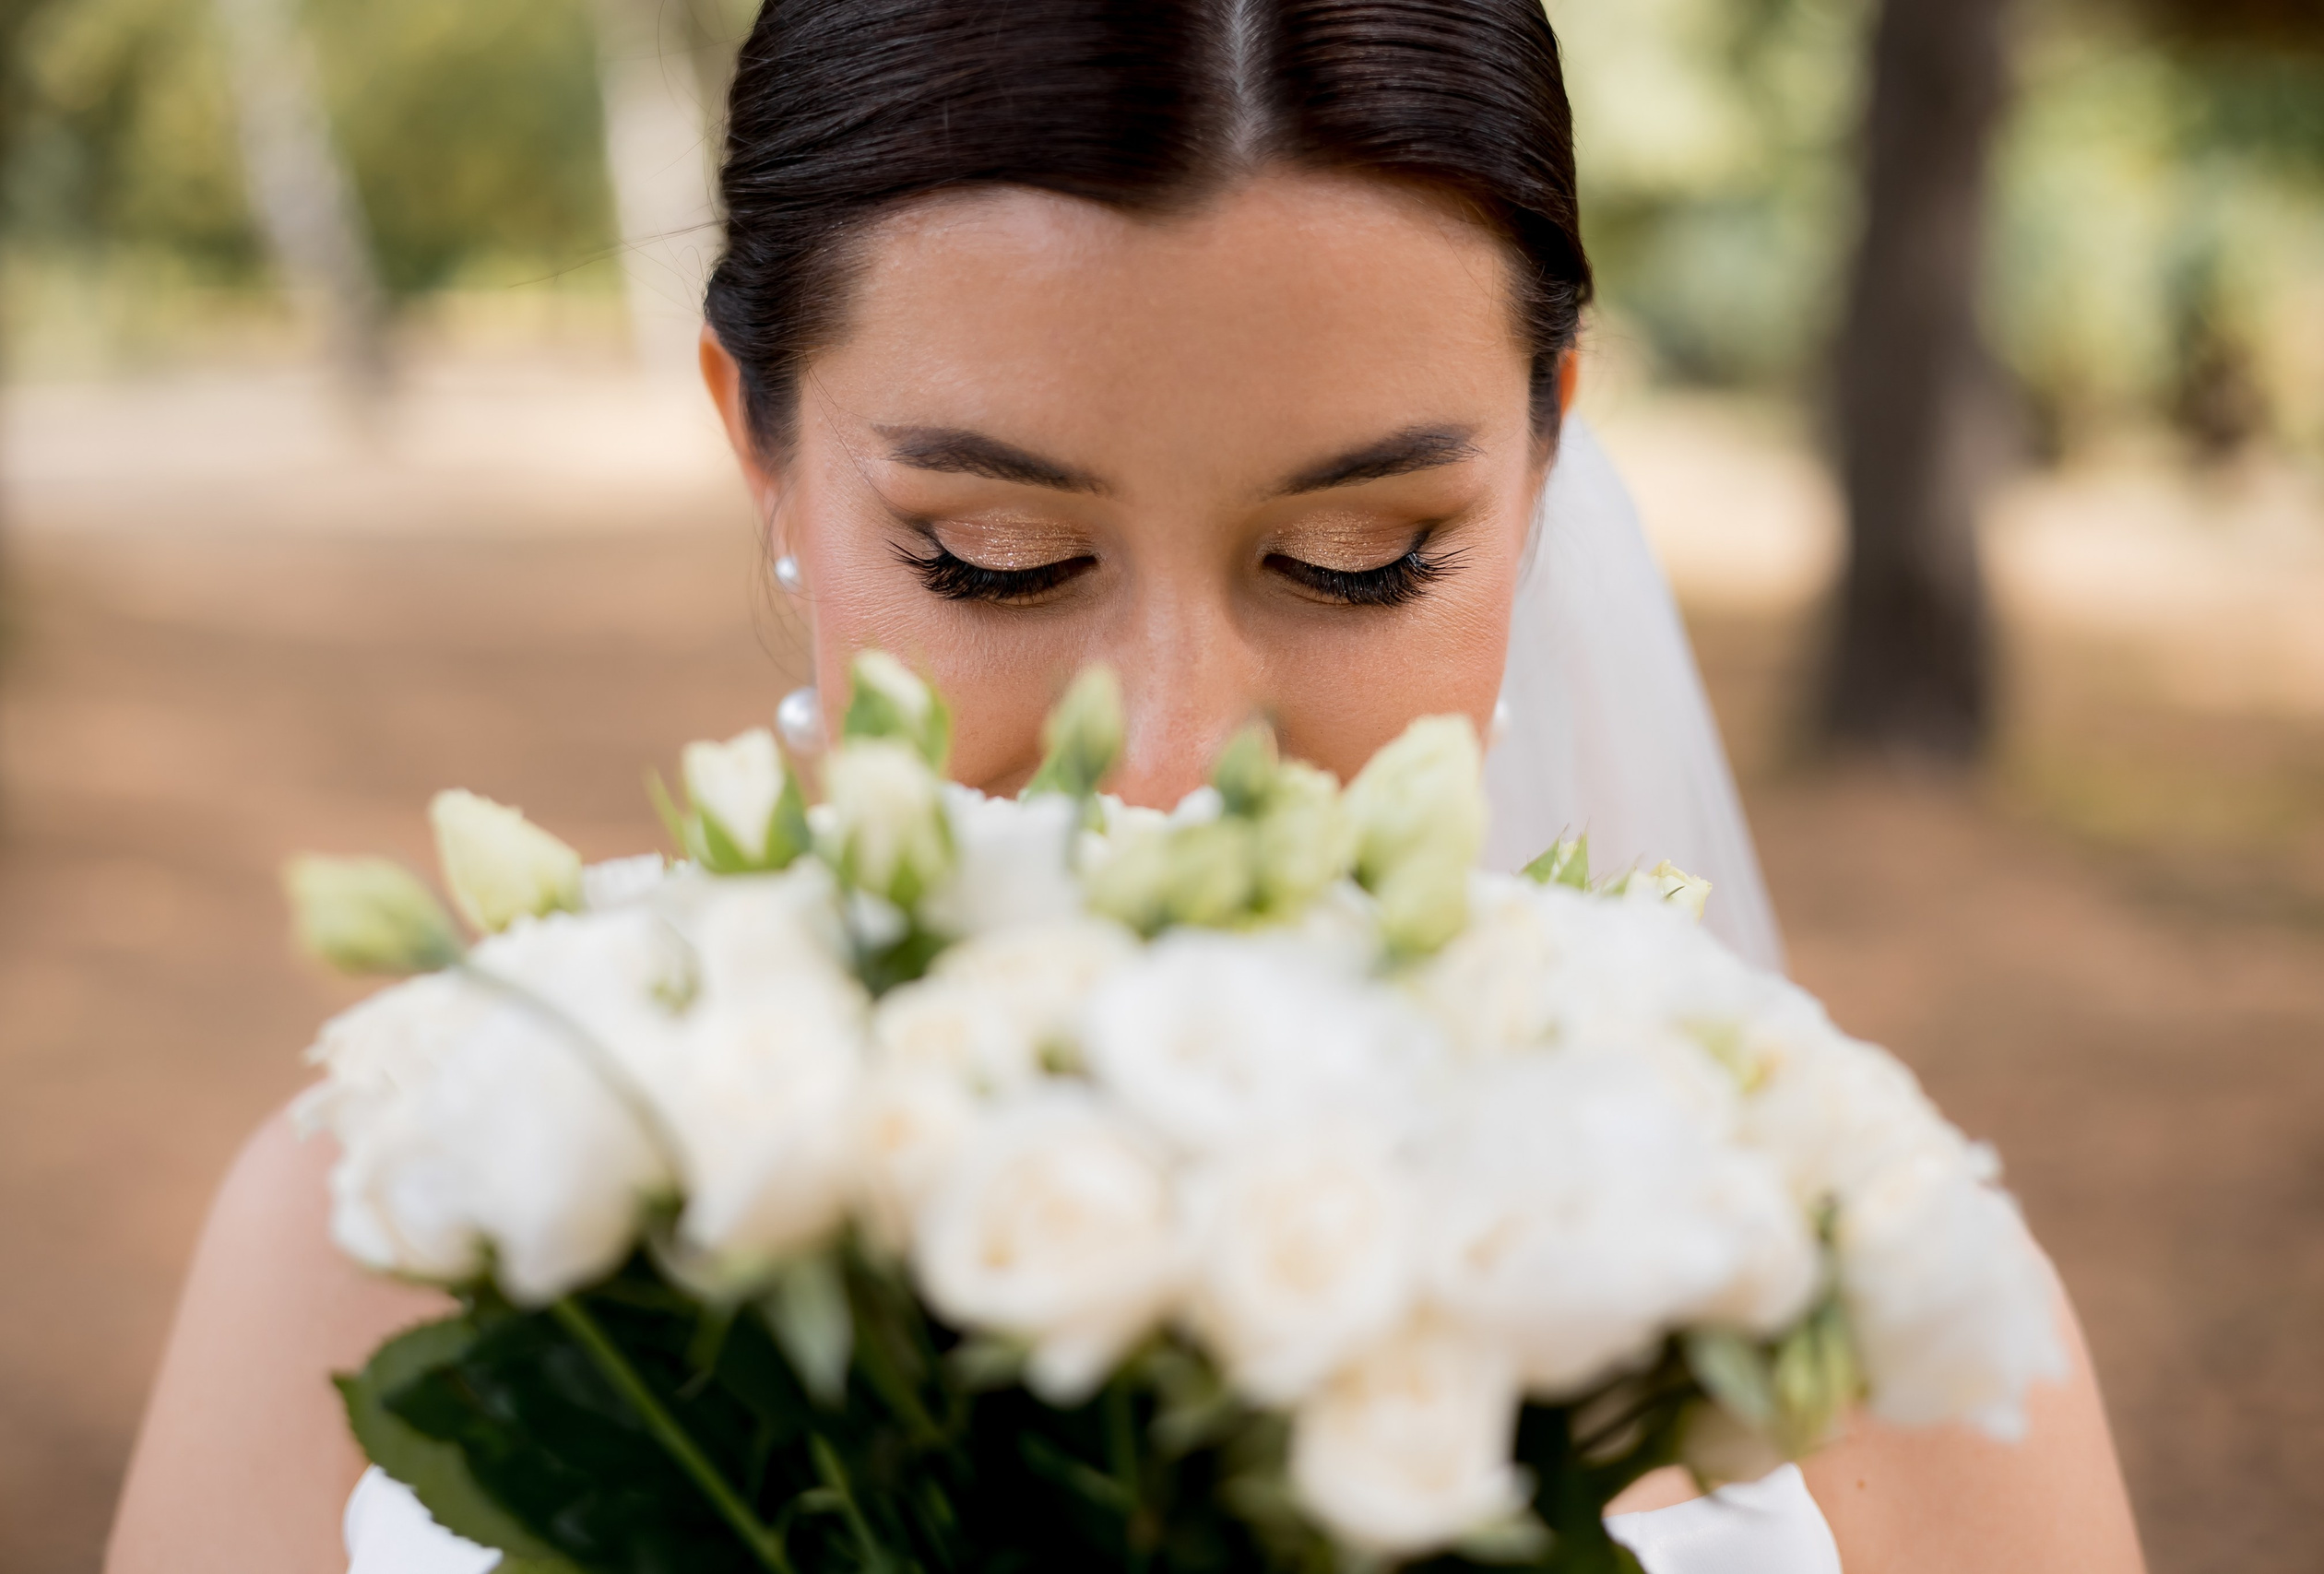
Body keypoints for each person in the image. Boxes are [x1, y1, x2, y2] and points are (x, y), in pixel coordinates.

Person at [104, 2, 2147, 1569]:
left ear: (1542, 467)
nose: (1169, 765)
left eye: (1359, 560)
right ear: (763, 451)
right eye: (995, 559)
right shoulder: (401, 1220)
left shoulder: (1865, 1312)